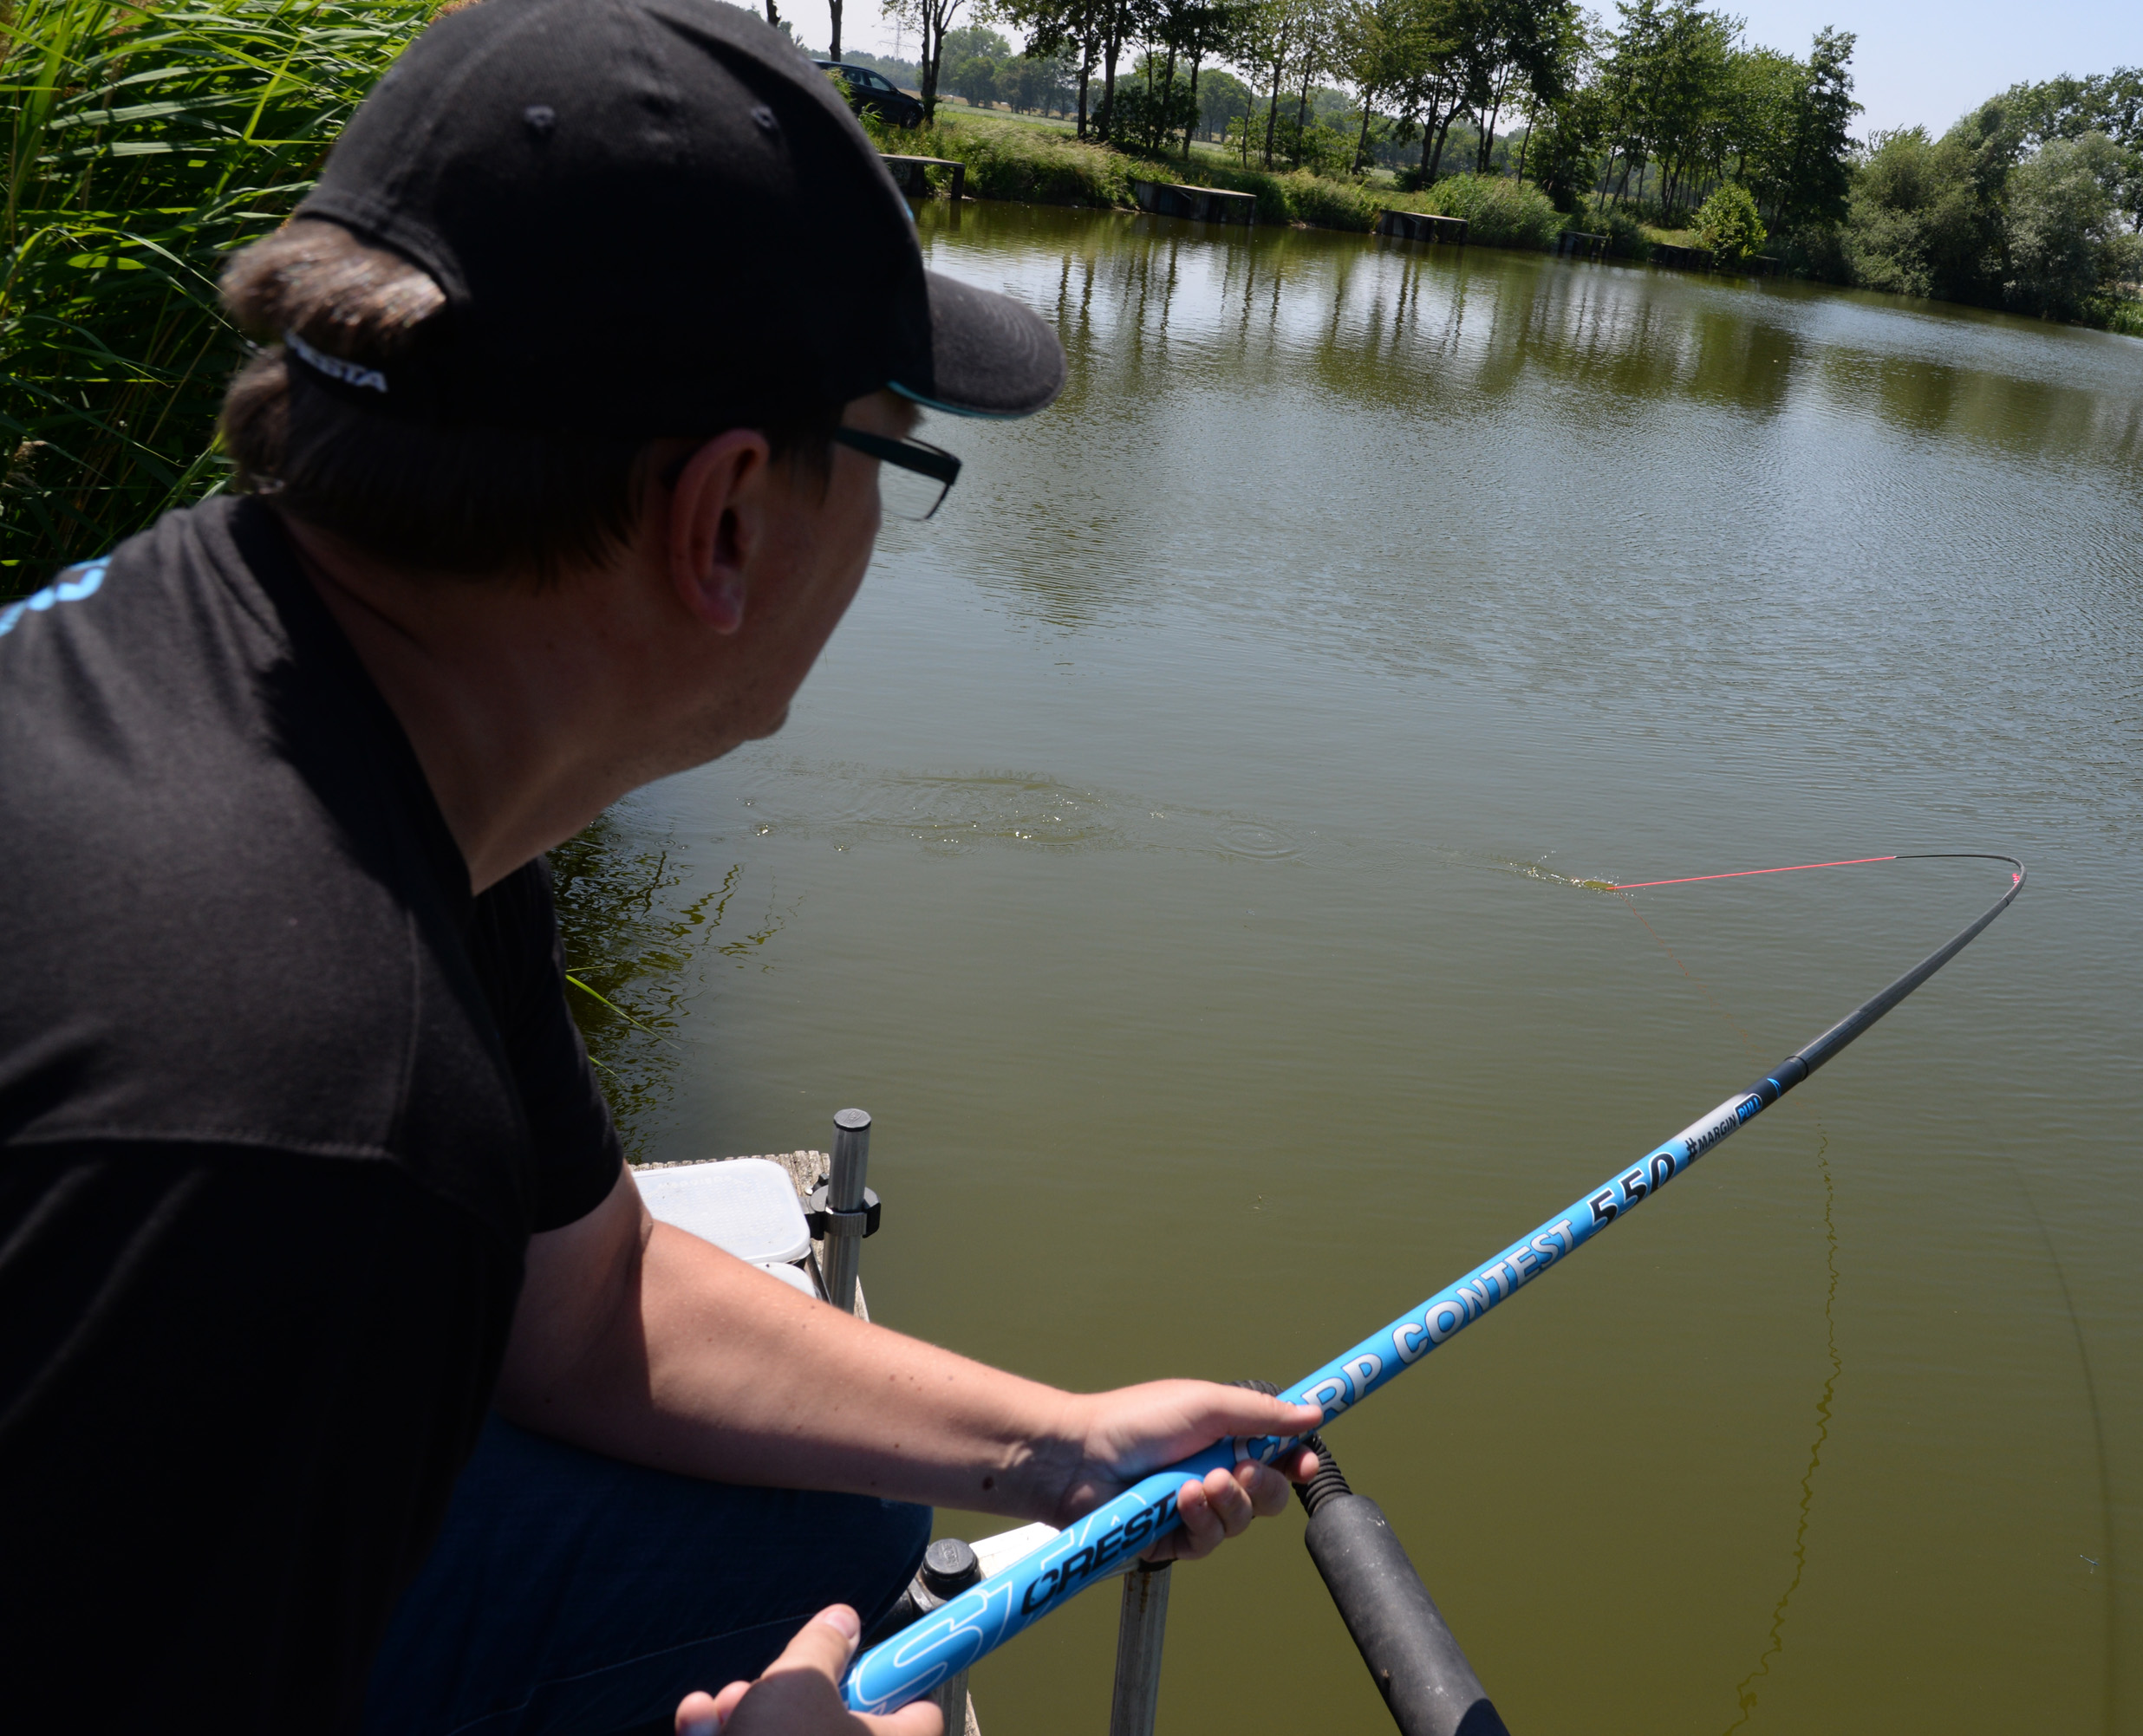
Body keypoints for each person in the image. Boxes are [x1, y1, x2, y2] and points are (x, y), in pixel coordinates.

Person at [0, 1, 1319, 1732]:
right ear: (725, 523)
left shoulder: (319, 710)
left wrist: (1052, 1444)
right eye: (893, 455)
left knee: (847, 1521)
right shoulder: (313, 1112)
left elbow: (582, 1299)